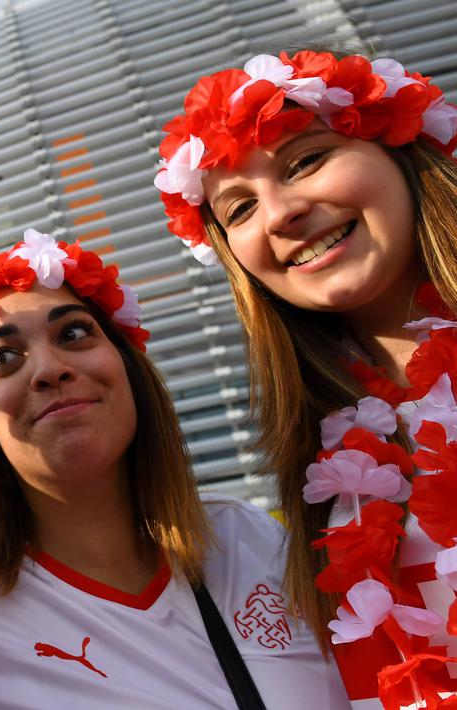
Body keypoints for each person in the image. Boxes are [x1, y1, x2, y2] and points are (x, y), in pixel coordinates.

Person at [0, 231, 347, 708]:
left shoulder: (255, 543)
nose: (48, 368)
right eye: (3, 357)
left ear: (129, 368)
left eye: (74, 332)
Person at [154, 50, 457, 708]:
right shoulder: (326, 459)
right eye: (237, 210)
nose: (280, 213)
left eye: (306, 159)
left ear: (402, 151)